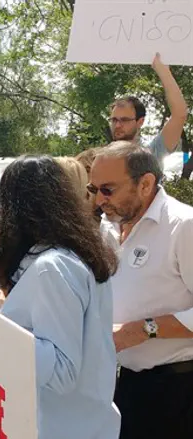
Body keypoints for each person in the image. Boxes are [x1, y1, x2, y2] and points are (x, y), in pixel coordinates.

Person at [0, 155, 120, 439]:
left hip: (57, 426)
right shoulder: (75, 253)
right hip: (84, 421)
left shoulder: (52, 267)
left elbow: (61, 372)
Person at [90, 142, 193, 439]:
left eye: (108, 189)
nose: (99, 200)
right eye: (93, 189)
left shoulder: (183, 226)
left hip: (177, 389)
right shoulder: (110, 225)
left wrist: (144, 329)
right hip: (127, 383)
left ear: (145, 184)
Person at [108, 53, 187, 163]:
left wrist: (163, 71)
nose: (117, 125)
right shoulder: (98, 159)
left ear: (140, 122)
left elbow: (179, 114)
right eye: (114, 120)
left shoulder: (152, 153)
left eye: (124, 120)